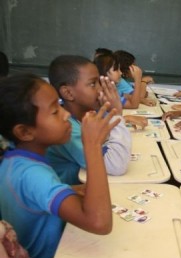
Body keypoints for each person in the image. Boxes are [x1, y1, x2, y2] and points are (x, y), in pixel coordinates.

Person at [0, 74, 115, 258]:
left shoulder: (15, 161)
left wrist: (68, 189)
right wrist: (92, 146)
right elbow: (99, 223)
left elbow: (31, 196)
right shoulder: (32, 174)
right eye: (55, 111)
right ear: (25, 132)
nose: (66, 114)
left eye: (60, 105)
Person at [46, 55, 131, 185]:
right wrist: (116, 114)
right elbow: (116, 165)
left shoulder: (90, 114)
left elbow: (106, 139)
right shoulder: (66, 128)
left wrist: (114, 117)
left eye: (99, 82)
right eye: (93, 84)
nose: (100, 89)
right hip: (69, 193)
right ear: (68, 93)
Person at [93, 54, 148, 129]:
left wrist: (125, 118)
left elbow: (131, 101)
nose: (120, 73)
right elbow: (134, 104)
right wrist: (138, 79)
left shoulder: (112, 91)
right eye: (116, 70)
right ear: (104, 73)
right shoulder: (99, 96)